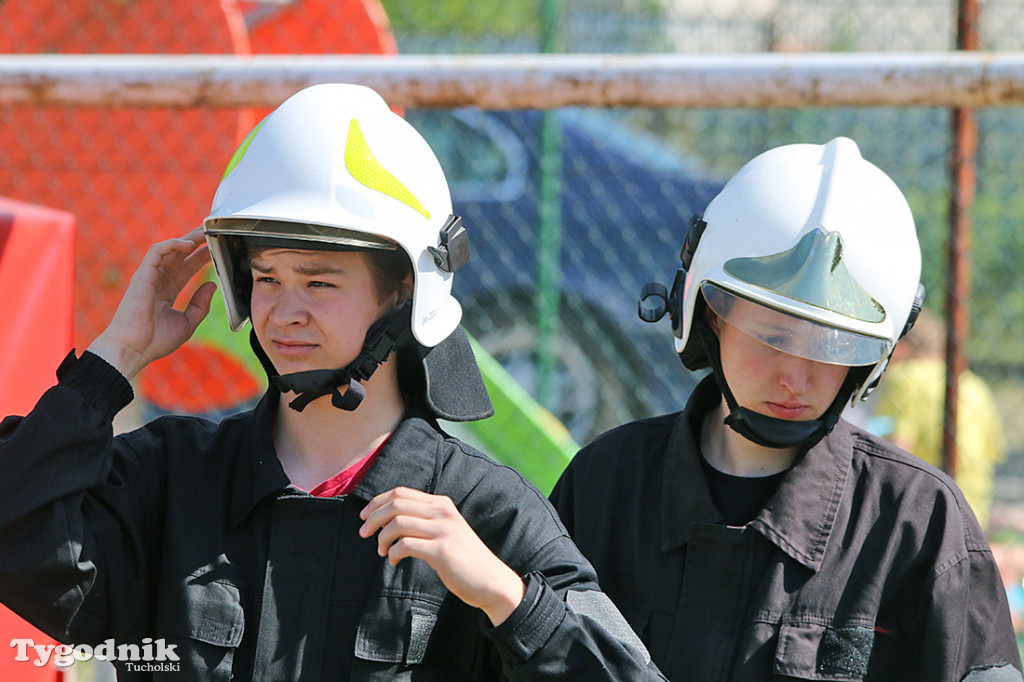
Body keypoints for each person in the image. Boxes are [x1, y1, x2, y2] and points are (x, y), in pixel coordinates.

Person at [0, 84, 664, 680]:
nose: (284, 312)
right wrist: (116, 357)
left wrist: (504, 597)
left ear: (404, 291)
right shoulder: (173, 478)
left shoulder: (481, 513)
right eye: (266, 277)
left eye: (320, 282)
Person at [550, 137, 1023, 681]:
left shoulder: (916, 524)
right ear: (709, 317)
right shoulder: (607, 485)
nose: (796, 377)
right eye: (772, 336)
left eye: (833, 347)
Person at [871, 307, 1006, 530]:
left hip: (920, 514)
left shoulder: (905, 378)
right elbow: (991, 456)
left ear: (901, 347)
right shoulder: (974, 386)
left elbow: (895, 452)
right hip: (972, 518)